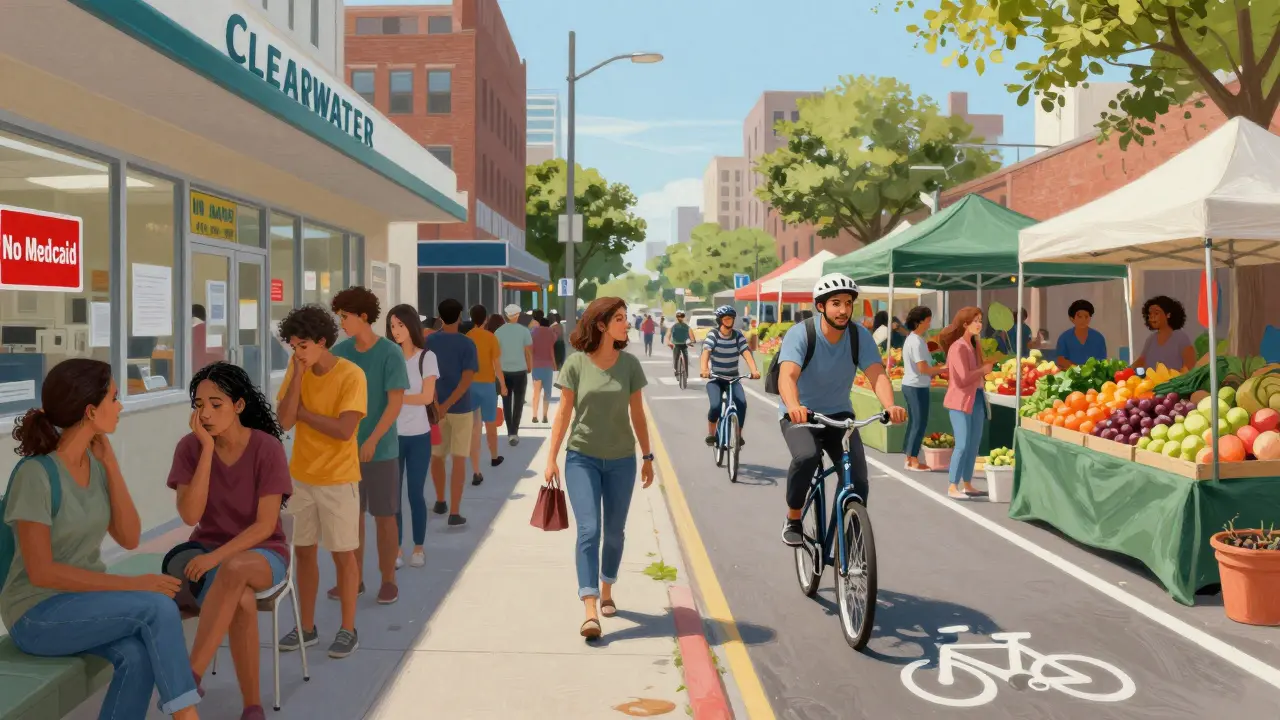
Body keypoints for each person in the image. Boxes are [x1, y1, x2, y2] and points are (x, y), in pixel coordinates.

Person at [2, 359, 202, 720]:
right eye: (114, 397)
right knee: (156, 607)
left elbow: (128, 537)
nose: (121, 406)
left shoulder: (94, 465)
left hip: (85, 604)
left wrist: (111, 466)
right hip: (36, 614)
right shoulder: (36, 475)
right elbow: (42, 573)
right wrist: (131, 585)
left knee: (137, 657)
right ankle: (187, 716)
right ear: (91, 411)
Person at [168, 362, 290, 720]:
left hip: (263, 554)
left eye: (216, 404)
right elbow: (191, 516)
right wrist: (206, 450)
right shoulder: (189, 449)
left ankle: (190, 675)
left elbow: (266, 525)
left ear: (238, 405)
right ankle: (252, 706)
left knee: (236, 568)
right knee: (243, 603)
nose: (205, 413)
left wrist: (215, 558)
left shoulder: (266, 448)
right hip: (203, 552)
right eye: (198, 404)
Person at [544, 297, 654, 640]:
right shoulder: (575, 364)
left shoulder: (630, 365)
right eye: (619, 318)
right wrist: (551, 458)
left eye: (625, 318)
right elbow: (563, 413)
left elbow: (637, 414)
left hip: (622, 459)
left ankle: (608, 588)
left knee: (615, 532)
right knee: (589, 530)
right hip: (582, 457)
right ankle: (590, 606)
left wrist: (648, 457)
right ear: (602, 325)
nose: (626, 323)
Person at [777, 275, 906, 547]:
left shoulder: (859, 336)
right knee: (807, 457)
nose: (844, 310)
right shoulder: (801, 334)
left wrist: (889, 405)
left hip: (839, 417)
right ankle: (794, 517)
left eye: (848, 303)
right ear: (821, 306)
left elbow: (877, 374)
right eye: (836, 303)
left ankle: (849, 541)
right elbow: (787, 376)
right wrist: (793, 407)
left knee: (857, 479)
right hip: (802, 415)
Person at [275, 305, 366, 659]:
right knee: (304, 552)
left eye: (302, 347)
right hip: (302, 477)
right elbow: (284, 421)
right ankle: (306, 627)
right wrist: (298, 377)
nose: (297, 353)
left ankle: (348, 629)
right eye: (293, 347)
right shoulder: (297, 369)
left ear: (322, 342)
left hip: (339, 479)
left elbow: (345, 430)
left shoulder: (351, 375)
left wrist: (305, 415)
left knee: (344, 555)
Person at [329, 287, 408, 606]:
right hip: (345, 452)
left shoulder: (389, 353)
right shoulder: (340, 352)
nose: (341, 323)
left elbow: (395, 402)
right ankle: (354, 579)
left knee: (385, 516)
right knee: (351, 519)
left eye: (344, 317)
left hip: (381, 451)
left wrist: (373, 439)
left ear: (363, 317)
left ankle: (388, 579)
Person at [386, 305, 438, 569]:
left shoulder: (426, 358)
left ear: (411, 326)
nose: (395, 331)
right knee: (393, 495)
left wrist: (397, 398)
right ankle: (395, 550)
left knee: (415, 493)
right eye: (392, 326)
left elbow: (427, 397)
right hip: (391, 437)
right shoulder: (387, 356)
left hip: (419, 436)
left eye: (400, 325)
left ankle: (418, 547)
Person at [425, 299, 479, 527]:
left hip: (434, 411)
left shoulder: (429, 342)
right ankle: (455, 512)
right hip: (461, 410)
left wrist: (438, 403)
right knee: (459, 458)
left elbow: (426, 376)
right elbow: (466, 381)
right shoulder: (467, 344)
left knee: (436, 455)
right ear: (459, 317)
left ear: (439, 316)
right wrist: (448, 405)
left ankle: (439, 500)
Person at [940, 307, 993, 500]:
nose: (979, 324)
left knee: (973, 444)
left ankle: (968, 483)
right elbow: (962, 379)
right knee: (962, 444)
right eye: (975, 321)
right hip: (960, 400)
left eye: (980, 320)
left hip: (977, 398)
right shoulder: (958, 347)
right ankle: (953, 485)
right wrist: (984, 370)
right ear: (965, 324)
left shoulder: (973, 344)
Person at [700, 305, 760, 446]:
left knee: (742, 404)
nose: (729, 321)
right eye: (726, 319)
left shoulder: (737, 335)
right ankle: (711, 434)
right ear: (720, 320)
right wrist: (704, 369)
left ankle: (738, 435)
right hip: (715, 379)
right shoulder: (713, 335)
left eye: (731, 318)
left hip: (733, 379)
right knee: (715, 406)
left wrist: (754, 370)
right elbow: (706, 352)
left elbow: (746, 353)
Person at [902, 306, 946, 472]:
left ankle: (909, 457)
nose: (929, 323)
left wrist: (936, 370)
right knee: (919, 423)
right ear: (919, 321)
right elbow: (923, 369)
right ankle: (913, 460)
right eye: (928, 320)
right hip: (916, 386)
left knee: (915, 422)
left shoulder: (913, 339)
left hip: (913, 384)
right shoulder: (916, 341)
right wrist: (943, 369)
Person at [466, 306, 507, 485]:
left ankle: (476, 470)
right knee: (491, 424)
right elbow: (497, 365)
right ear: (486, 319)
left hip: (470, 386)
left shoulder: (466, 338)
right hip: (488, 386)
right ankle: (494, 456)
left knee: (475, 429)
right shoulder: (491, 338)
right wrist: (503, 386)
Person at [495, 303, 534, 445]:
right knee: (518, 402)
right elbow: (528, 352)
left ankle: (509, 431)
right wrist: (530, 367)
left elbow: (496, 355)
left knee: (506, 401)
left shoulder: (498, 332)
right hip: (520, 371)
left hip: (504, 371)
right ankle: (514, 432)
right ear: (517, 315)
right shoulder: (524, 331)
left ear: (506, 316)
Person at [1135, 295, 1196, 372]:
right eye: (1150, 314)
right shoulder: (1151, 340)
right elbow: (1141, 361)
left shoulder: (1180, 338)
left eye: (1156, 313)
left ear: (1168, 315)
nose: (1152, 317)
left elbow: (1190, 366)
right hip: (1150, 383)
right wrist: (1125, 371)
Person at [1054, 300, 1108, 369]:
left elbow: (1103, 361)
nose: (1083, 320)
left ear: (1090, 318)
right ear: (1072, 318)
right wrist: (1078, 370)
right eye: (1080, 317)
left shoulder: (1098, 338)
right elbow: (1061, 360)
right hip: (1070, 376)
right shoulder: (1064, 338)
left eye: (1086, 317)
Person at [530, 316, 559, 423]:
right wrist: (555, 364)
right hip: (547, 366)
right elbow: (551, 348)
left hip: (536, 365)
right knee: (547, 392)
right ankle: (545, 415)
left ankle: (534, 415)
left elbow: (531, 349)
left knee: (536, 392)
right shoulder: (550, 332)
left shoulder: (533, 332)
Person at [667, 311, 691, 376]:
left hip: (684, 344)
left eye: (682, 317)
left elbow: (690, 335)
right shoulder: (674, 326)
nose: (680, 318)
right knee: (676, 357)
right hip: (676, 344)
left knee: (685, 358)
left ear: (683, 317)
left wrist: (690, 341)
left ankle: (686, 372)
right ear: (676, 318)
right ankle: (675, 370)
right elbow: (669, 334)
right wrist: (668, 342)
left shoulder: (686, 326)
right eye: (678, 317)